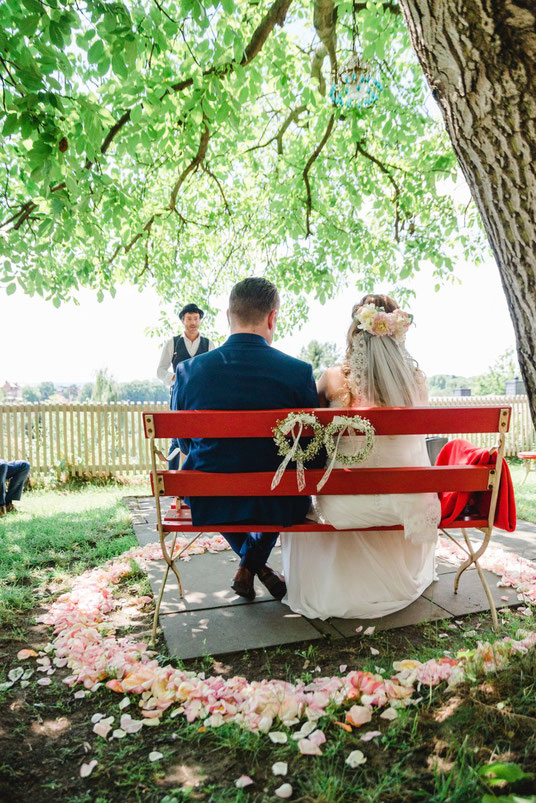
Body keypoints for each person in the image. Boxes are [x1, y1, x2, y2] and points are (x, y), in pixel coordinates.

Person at [281, 294, 441, 620]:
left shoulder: (331, 378)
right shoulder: (417, 382)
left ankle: (330, 586)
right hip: (405, 503)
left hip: (346, 504)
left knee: (302, 498)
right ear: (397, 332)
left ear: (354, 330)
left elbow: (313, 437)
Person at [172, 277, 321, 602]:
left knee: (212, 482)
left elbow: (183, 444)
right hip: (280, 496)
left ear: (228, 317)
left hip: (209, 496)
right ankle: (255, 566)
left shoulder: (188, 371)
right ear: (272, 318)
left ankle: (251, 567)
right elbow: (310, 448)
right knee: (276, 491)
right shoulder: (298, 371)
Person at [157, 303, 216, 470]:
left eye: (196, 319)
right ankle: (174, 485)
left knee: (201, 436)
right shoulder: (173, 343)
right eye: (189, 319)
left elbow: (212, 373)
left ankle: (198, 479)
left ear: (200, 320)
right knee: (177, 438)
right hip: (179, 396)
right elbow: (160, 371)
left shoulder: (208, 344)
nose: (193, 322)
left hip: (201, 399)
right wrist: (175, 378)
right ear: (183, 320)